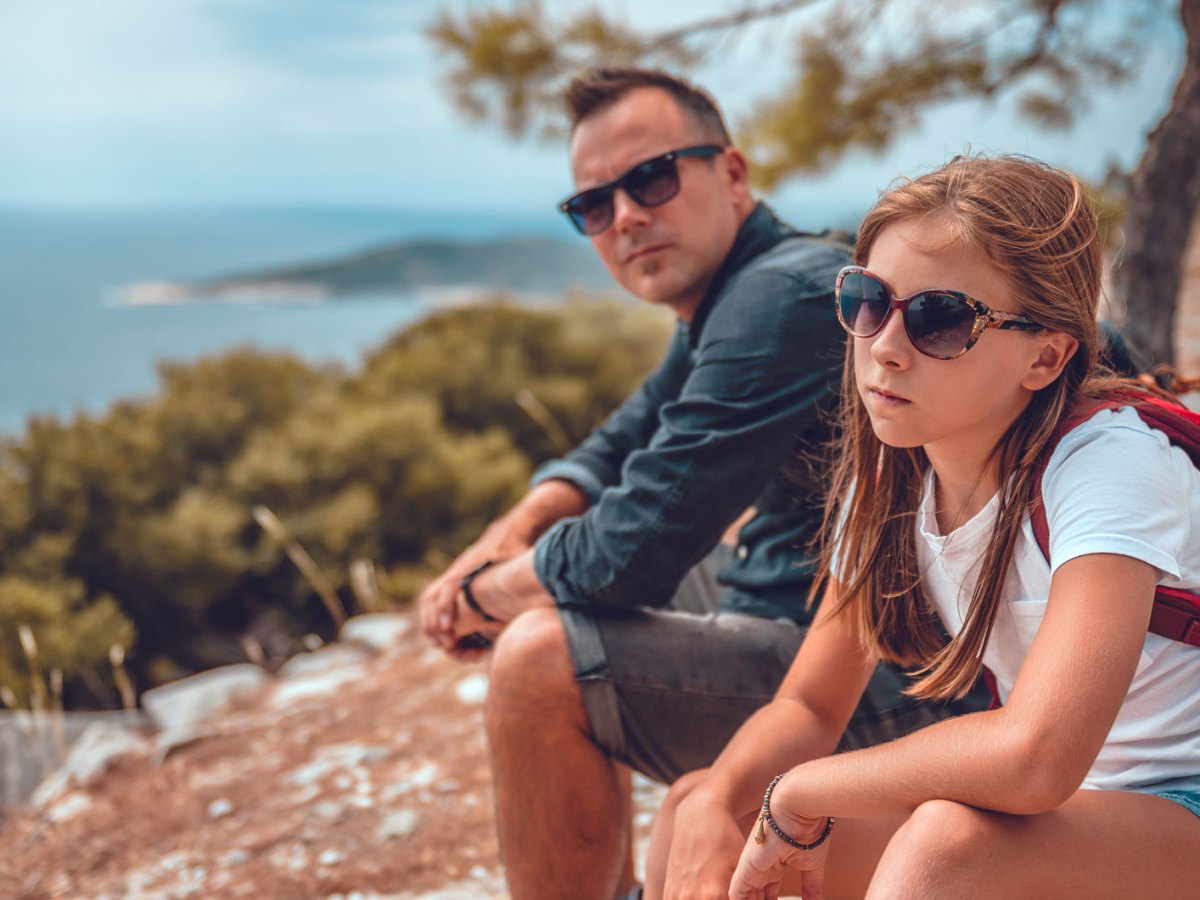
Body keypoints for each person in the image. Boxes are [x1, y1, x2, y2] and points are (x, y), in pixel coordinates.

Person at [416, 68, 972, 899]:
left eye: (650, 178)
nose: (626, 217)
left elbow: (632, 548)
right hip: (813, 601)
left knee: (538, 656)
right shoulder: (737, 294)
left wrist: (484, 597)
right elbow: (620, 443)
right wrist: (511, 532)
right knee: (566, 594)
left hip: (908, 678)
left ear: (733, 174)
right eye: (592, 206)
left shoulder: (777, 298)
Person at [647, 155, 1200, 900]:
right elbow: (809, 706)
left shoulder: (1108, 468)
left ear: (1046, 355)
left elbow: (1036, 757)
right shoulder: (893, 482)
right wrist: (721, 800)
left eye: (941, 319)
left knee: (946, 847)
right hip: (1084, 815)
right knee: (700, 807)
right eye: (867, 300)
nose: (885, 346)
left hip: (1177, 806)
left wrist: (801, 792)